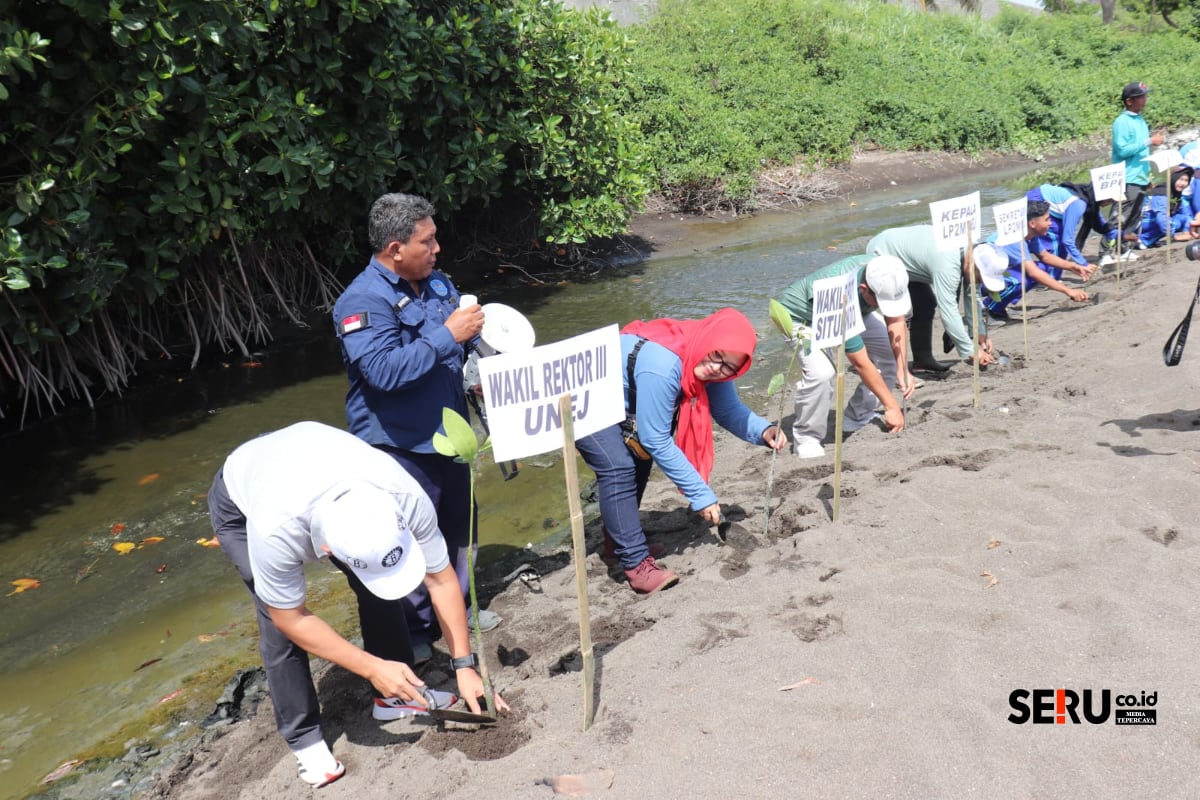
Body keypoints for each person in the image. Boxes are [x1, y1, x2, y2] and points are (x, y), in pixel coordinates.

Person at [207, 422, 508, 788]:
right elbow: (290, 618)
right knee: (274, 618)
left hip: (324, 464)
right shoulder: (275, 530)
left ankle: (392, 697)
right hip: (243, 496)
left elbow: (441, 578)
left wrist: (464, 664)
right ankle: (305, 739)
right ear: (331, 554)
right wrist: (369, 666)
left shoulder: (403, 495)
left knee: (377, 589)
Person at [332, 193, 498, 667]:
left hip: (450, 433)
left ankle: (459, 612)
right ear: (394, 248)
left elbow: (459, 352)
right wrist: (450, 334)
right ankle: (419, 626)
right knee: (404, 539)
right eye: (427, 241)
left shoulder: (440, 286)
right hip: (397, 444)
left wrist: (480, 368)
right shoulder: (362, 301)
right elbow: (383, 372)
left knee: (459, 526)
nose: (437, 248)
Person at [574, 308, 787, 594]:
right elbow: (656, 439)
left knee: (638, 459)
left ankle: (620, 541)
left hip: (623, 397)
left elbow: (727, 409)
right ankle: (636, 564)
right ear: (708, 343)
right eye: (716, 356)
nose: (717, 368)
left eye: (728, 368)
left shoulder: (710, 359)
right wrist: (701, 496)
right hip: (582, 394)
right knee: (618, 467)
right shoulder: (664, 365)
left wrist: (763, 430)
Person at [775, 254, 913, 459]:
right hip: (802, 317)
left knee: (889, 357)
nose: (884, 308)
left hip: (857, 311)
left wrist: (903, 369)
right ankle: (806, 437)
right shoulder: (838, 291)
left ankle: (857, 416)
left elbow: (896, 320)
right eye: (880, 303)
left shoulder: (888, 271)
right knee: (822, 372)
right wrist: (891, 405)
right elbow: (859, 361)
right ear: (864, 290)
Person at [866, 225, 1006, 372]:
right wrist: (970, 351)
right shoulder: (948, 264)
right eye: (980, 278)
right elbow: (948, 309)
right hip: (883, 251)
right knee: (893, 313)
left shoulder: (973, 253)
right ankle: (891, 369)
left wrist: (979, 333)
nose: (980, 283)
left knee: (925, 304)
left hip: (914, 260)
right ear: (972, 265)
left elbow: (973, 296)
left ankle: (922, 361)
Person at [979, 201, 1090, 323]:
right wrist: (1068, 291)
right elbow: (1033, 273)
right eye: (1047, 220)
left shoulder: (1030, 234)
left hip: (1000, 275)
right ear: (1032, 223)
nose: (1050, 223)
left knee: (1042, 268)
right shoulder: (1014, 239)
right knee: (1022, 280)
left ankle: (999, 306)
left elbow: (1045, 256)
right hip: (982, 281)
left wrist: (1072, 266)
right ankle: (988, 309)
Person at [1103, 81, 1165, 264]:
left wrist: (1149, 175)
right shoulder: (1122, 122)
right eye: (1141, 97)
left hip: (1140, 176)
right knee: (1119, 215)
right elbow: (1122, 150)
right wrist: (1149, 141)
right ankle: (1106, 253)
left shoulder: (1140, 120)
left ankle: (1123, 250)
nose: (1145, 100)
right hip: (1127, 176)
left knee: (1134, 216)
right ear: (1130, 101)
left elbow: (1143, 152)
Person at [1025, 184, 1100, 274]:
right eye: (1110, 200)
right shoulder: (1079, 205)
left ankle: (1054, 275)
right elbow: (1067, 240)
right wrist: (1084, 264)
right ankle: (1051, 276)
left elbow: (1101, 223)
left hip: (1046, 197)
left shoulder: (1089, 201)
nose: (1110, 203)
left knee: (1059, 237)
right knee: (1055, 238)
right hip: (1037, 198)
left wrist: (1116, 233)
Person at [1138, 165, 1194, 248]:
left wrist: (1187, 231)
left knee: (1184, 219)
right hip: (1146, 221)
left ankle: (1153, 239)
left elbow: (1186, 214)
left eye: (1186, 180)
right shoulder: (1161, 193)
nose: (1183, 183)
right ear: (1174, 178)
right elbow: (1161, 218)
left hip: (1160, 220)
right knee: (1173, 223)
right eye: (1181, 179)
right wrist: (1173, 235)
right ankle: (1143, 240)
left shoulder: (1176, 194)